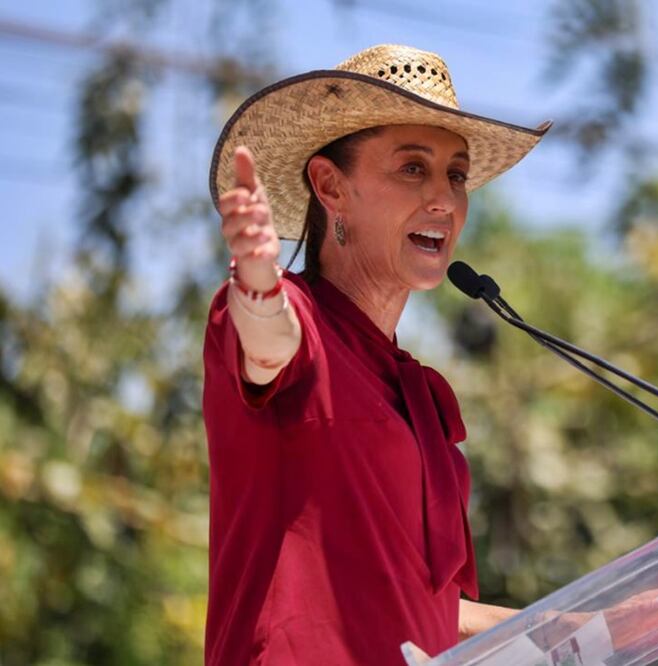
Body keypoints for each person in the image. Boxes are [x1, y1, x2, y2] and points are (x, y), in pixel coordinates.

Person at [202, 44, 550, 665]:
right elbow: (267, 337)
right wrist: (257, 287)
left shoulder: (410, 390)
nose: (444, 198)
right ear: (330, 186)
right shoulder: (298, 320)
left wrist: (596, 615)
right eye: (412, 169)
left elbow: (423, 614)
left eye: (457, 174)